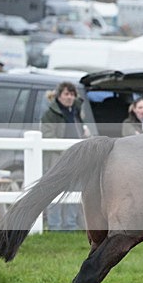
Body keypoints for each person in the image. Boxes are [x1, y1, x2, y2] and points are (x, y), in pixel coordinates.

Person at [41, 81, 90, 231]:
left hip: (77, 159)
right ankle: (55, 226)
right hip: (58, 160)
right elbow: (48, 136)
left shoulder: (76, 111)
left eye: (72, 94)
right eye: (66, 94)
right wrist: (67, 151)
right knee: (55, 193)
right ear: (59, 95)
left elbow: (80, 132)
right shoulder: (50, 114)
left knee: (74, 192)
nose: (69, 97)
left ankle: (70, 226)